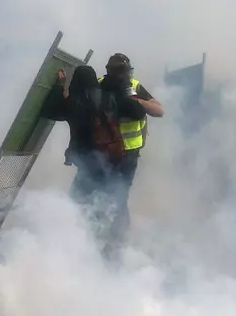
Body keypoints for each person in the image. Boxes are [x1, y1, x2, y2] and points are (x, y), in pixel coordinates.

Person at [41, 65, 147, 253]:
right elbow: (138, 112)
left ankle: (89, 248)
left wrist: (59, 85)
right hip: (112, 163)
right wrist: (126, 93)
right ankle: (114, 246)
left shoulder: (73, 104)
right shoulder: (109, 99)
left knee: (78, 206)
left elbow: (48, 111)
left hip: (88, 169)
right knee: (112, 204)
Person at [98, 53, 165, 242]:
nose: (120, 75)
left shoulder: (134, 86)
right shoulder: (99, 84)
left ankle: (116, 239)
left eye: (123, 71)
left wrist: (135, 101)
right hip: (104, 153)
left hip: (127, 156)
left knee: (119, 197)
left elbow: (159, 110)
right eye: (117, 71)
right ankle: (102, 238)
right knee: (101, 195)